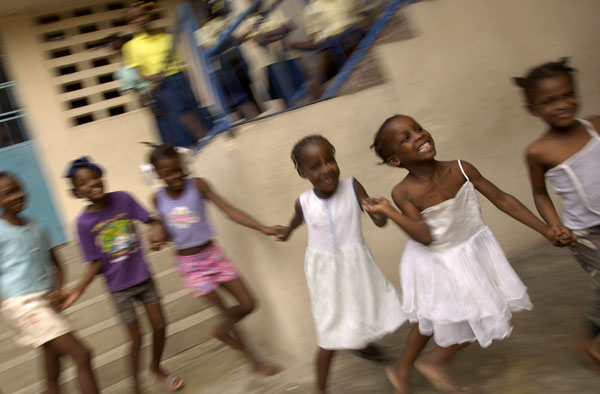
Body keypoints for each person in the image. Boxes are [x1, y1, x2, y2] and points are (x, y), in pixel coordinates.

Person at [365, 115, 573, 393]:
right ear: (395, 160)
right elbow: (424, 236)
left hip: (471, 252)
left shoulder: (461, 169)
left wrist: (546, 230)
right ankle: (402, 369)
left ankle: (436, 361)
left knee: (480, 310)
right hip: (435, 261)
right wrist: (390, 211)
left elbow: (503, 199)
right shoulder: (404, 192)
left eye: (417, 128)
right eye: (406, 138)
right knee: (431, 320)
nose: (419, 136)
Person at [276, 135, 406, 394]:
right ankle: (320, 389)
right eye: (315, 166)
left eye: (330, 160)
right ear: (303, 172)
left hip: (356, 262)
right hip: (324, 272)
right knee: (330, 332)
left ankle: (362, 344)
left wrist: (379, 211)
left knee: (362, 304)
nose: (326, 169)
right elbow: (296, 221)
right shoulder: (304, 202)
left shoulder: (352, 186)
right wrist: (287, 231)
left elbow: (378, 222)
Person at [149, 144, 282, 376]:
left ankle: (221, 330)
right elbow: (168, 230)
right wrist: (158, 236)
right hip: (190, 265)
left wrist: (262, 227)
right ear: (158, 174)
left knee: (248, 303)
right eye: (168, 173)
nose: (176, 176)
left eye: (178, 169)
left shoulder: (198, 185)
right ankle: (254, 361)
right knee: (225, 310)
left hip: (212, 254)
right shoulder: (157, 198)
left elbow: (228, 210)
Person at [61, 158, 183, 393]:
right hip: (119, 288)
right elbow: (95, 262)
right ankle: (135, 386)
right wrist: (78, 289)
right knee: (136, 338)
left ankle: (156, 368)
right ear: (77, 193)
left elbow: (152, 220)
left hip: (143, 278)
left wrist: (157, 232)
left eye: (95, 177)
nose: (92, 184)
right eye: (84, 183)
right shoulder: (83, 223)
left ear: (102, 177)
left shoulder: (123, 199)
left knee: (159, 326)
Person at [516, 58, 600, 369]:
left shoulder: (596, 125)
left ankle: (588, 338)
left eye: (567, 95)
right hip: (584, 232)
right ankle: (587, 342)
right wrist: (554, 226)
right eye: (549, 101)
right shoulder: (539, 151)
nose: (561, 105)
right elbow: (540, 193)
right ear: (533, 109)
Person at [0, 172, 99, 394]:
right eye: (8, 194)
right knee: (81, 354)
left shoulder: (37, 226)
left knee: (51, 356)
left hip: (47, 301)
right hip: (24, 305)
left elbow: (58, 265)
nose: (17, 196)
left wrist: (57, 290)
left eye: (18, 189)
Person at [123, 3, 213, 147]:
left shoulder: (166, 36)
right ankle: (201, 140)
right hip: (161, 85)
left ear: (149, 15)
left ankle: (206, 139)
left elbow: (180, 61)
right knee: (180, 113)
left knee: (193, 106)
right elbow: (139, 74)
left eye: (143, 15)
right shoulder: (131, 46)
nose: (140, 19)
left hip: (179, 77)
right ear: (130, 22)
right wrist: (154, 77)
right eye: (135, 18)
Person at [194, 0, 262, 120]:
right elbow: (234, 40)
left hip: (229, 64)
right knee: (243, 97)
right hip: (231, 62)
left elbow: (207, 48)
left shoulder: (210, 28)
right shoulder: (221, 24)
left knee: (242, 98)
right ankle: (256, 120)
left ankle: (256, 121)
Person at [246, 1, 306, 108]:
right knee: (285, 99)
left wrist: (267, 35)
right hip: (271, 63)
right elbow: (259, 40)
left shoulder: (273, 12)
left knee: (303, 92)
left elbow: (289, 26)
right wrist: (279, 33)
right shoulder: (251, 21)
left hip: (288, 58)